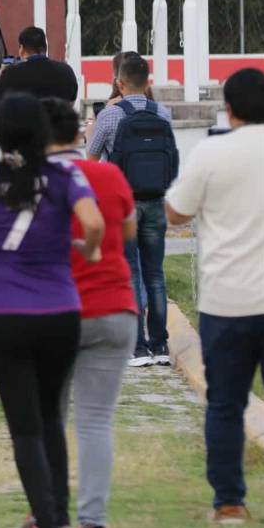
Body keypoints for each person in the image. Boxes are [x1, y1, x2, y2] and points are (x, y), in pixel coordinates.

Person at [0, 93, 104, 528]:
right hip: (60, 311)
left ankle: (48, 527)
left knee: (24, 426)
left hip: (5, 315)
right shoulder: (65, 178)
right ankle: (58, 515)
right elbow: (93, 222)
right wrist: (87, 248)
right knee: (50, 417)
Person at [165, 68, 264, 525]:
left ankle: (229, 503)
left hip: (226, 301)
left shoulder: (211, 151)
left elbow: (178, 212)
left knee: (226, 404)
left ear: (229, 107)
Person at [43, 98, 138, 528]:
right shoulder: (109, 175)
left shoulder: (36, 184)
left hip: (55, 312)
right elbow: (130, 228)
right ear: (82, 135)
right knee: (96, 421)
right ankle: (93, 525)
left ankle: (50, 516)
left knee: (51, 418)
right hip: (114, 306)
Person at [87, 53, 175, 368]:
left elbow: (91, 157)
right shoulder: (162, 113)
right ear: (148, 82)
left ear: (119, 83)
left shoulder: (110, 116)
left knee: (132, 273)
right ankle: (161, 344)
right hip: (155, 201)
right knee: (156, 274)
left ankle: (137, 347)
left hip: (124, 204)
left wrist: (92, 129)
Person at [0, 26, 78, 105]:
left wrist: (2, 73)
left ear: (22, 49)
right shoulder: (66, 71)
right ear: (45, 48)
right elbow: (71, 102)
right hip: (57, 124)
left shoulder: (11, 74)